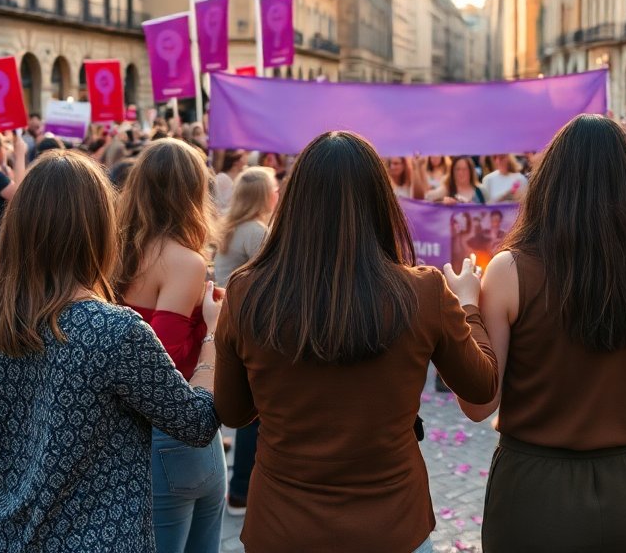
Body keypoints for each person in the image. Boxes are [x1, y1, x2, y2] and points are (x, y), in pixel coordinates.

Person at [214, 132, 499, 553]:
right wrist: (470, 305)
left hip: (283, 526)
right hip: (393, 527)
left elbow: (234, 412)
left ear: (294, 204)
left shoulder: (248, 292)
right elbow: (483, 389)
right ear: (380, 203)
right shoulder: (423, 293)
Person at [0, 151, 219, 551]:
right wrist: (213, 337)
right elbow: (197, 423)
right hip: (100, 538)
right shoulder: (115, 330)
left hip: (8, 533)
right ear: (99, 228)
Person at [455, 114, 626, 551]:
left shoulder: (510, 269)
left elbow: (479, 403)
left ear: (549, 181)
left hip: (535, 490)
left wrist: (466, 306)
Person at [116, 139, 226, 553]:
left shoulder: (113, 247)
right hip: (175, 432)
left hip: (122, 435)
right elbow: (161, 361)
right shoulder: (184, 260)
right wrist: (213, 330)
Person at [210, 166, 278, 516]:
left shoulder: (231, 229)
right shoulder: (256, 232)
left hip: (225, 321)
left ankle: (237, 488)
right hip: (249, 325)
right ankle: (240, 491)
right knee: (254, 415)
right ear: (266, 196)